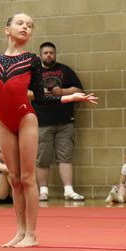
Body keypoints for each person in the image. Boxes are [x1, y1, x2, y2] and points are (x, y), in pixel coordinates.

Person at [0, 13, 98, 248]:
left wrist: (69, 97)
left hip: (25, 118)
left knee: (28, 178)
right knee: (15, 178)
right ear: (6, 30)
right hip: (3, 122)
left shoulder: (32, 60)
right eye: (20, 23)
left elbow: (41, 98)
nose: (25, 27)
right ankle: (19, 231)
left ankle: (32, 234)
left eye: (30, 25)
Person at [28, 42, 86, 202]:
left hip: (64, 122)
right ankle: (43, 191)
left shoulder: (65, 70)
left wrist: (62, 92)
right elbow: (24, 93)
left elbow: (79, 91)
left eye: (51, 53)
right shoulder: (33, 73)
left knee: (65, 157)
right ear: (40, 55)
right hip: (41, 122)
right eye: (45, 53)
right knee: (42, 158)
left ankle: (68, 190)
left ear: (55, 54)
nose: (49, 55)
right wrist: (40, 93)